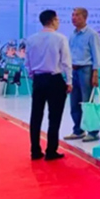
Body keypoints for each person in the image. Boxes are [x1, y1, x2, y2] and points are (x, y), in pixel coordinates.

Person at [25, 9, 72, 161]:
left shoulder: (31, 39)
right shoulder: (60, 38)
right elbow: (66, 62)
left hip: (39, 80)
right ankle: (51, 151)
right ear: (52, 21)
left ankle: (35, 150)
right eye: (57, 19)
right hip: (55, 80)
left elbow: (27, 62)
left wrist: (33, 76)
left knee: (36, 116)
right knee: (54, 117)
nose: (58, 22)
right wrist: (69, 81)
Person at [64, 7, 100, 142]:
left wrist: (95, 73)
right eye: (73, 15)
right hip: (74, 70)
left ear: (85, 17)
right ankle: (78, 130)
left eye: (77, 15)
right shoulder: (72, 35)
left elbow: (97, 54)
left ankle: (93, 132)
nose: (73, 18)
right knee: (74, 102)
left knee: (87, 103)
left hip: (86, 70)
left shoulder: (91, 34)